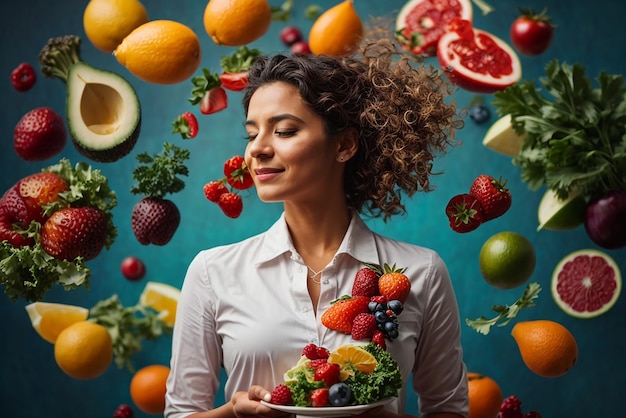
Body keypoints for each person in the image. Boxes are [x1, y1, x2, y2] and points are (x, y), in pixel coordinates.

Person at [165, 36, 468, 418]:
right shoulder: (212, 273)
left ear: (344, 146)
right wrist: (232, 413)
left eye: (285, 131)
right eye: (252, 132)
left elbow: (449, 410)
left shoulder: (421, 273)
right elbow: (181, 413)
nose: (257, 148)